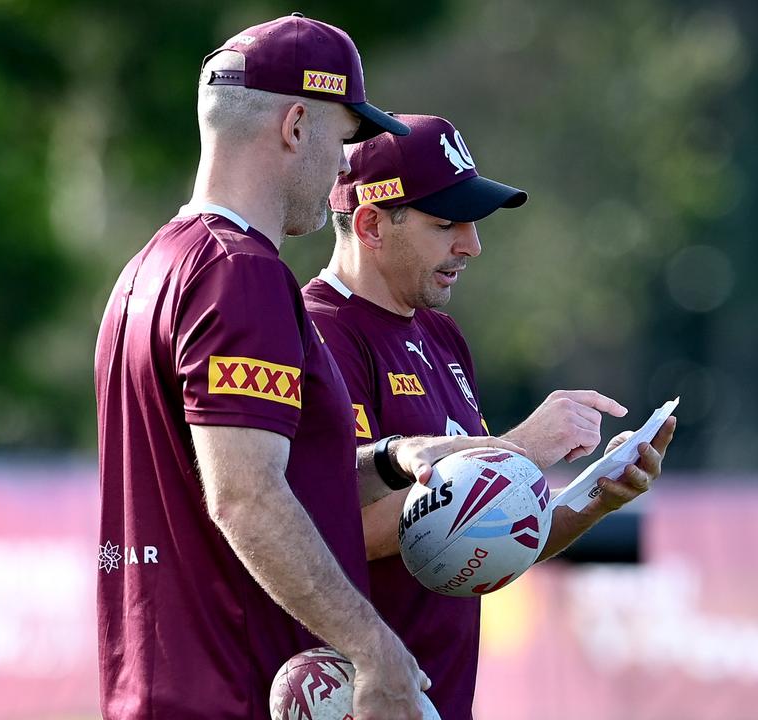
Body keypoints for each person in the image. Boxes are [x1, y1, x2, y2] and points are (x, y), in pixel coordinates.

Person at [94, 20, 517, 720]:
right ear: (297, 124)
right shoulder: (241, 274)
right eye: (345, 139)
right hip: (233, 693)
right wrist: (373, 649)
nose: (346, 169)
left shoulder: (150, 267)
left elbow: (251, 480)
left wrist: (388, 457)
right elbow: (245, 497)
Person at [302, 113, 678, 719]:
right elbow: (330, 531)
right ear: (370, 223)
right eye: (446, 222)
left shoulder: (442, 336)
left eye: (473, 222)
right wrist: (517, 451)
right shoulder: (318, 334)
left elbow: (470, 541)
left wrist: (595, 498)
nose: (471, 244)